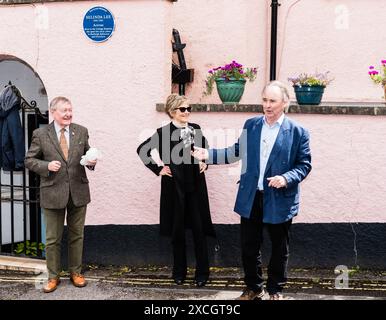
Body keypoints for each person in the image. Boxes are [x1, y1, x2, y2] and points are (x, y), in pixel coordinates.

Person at [192, 81, 312, 300]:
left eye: (272, 101)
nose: (267, 105)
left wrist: (286, 178)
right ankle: (254, 288)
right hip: (251, 196)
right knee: (249, 247)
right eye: (264, 100)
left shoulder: (298, 132)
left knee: (279, 249)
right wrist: (208, 155)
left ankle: (276, 290)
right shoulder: (252, 125)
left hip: (280, 198)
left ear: (285, 103)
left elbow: (304, 165)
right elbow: (236, 151)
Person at [137, 93, 215, 287]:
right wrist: (159, 169)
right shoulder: (163, 132)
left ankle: (202, 272)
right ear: (172, 112)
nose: (187, 112)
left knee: (199, 230)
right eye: (183, 109)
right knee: (177, 230)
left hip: (195, 186)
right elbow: (142, 150)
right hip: (174, 187)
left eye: (189, 108)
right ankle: (179, 271)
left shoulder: (195, 129)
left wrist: (205, 162)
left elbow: (205, 149)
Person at [25, 97, 97, 293]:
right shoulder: (40, 134)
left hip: (78, 192)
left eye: (70, 110)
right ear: (53, 112)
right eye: (64, 110)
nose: (68, 114)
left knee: (77, 236)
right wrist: (46, 166)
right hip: (52, 192)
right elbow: (29, 160)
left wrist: (92, 160)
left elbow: (88, 155)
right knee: (52, 239)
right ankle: (53, 277)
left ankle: (76, 273)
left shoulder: (81, 131)